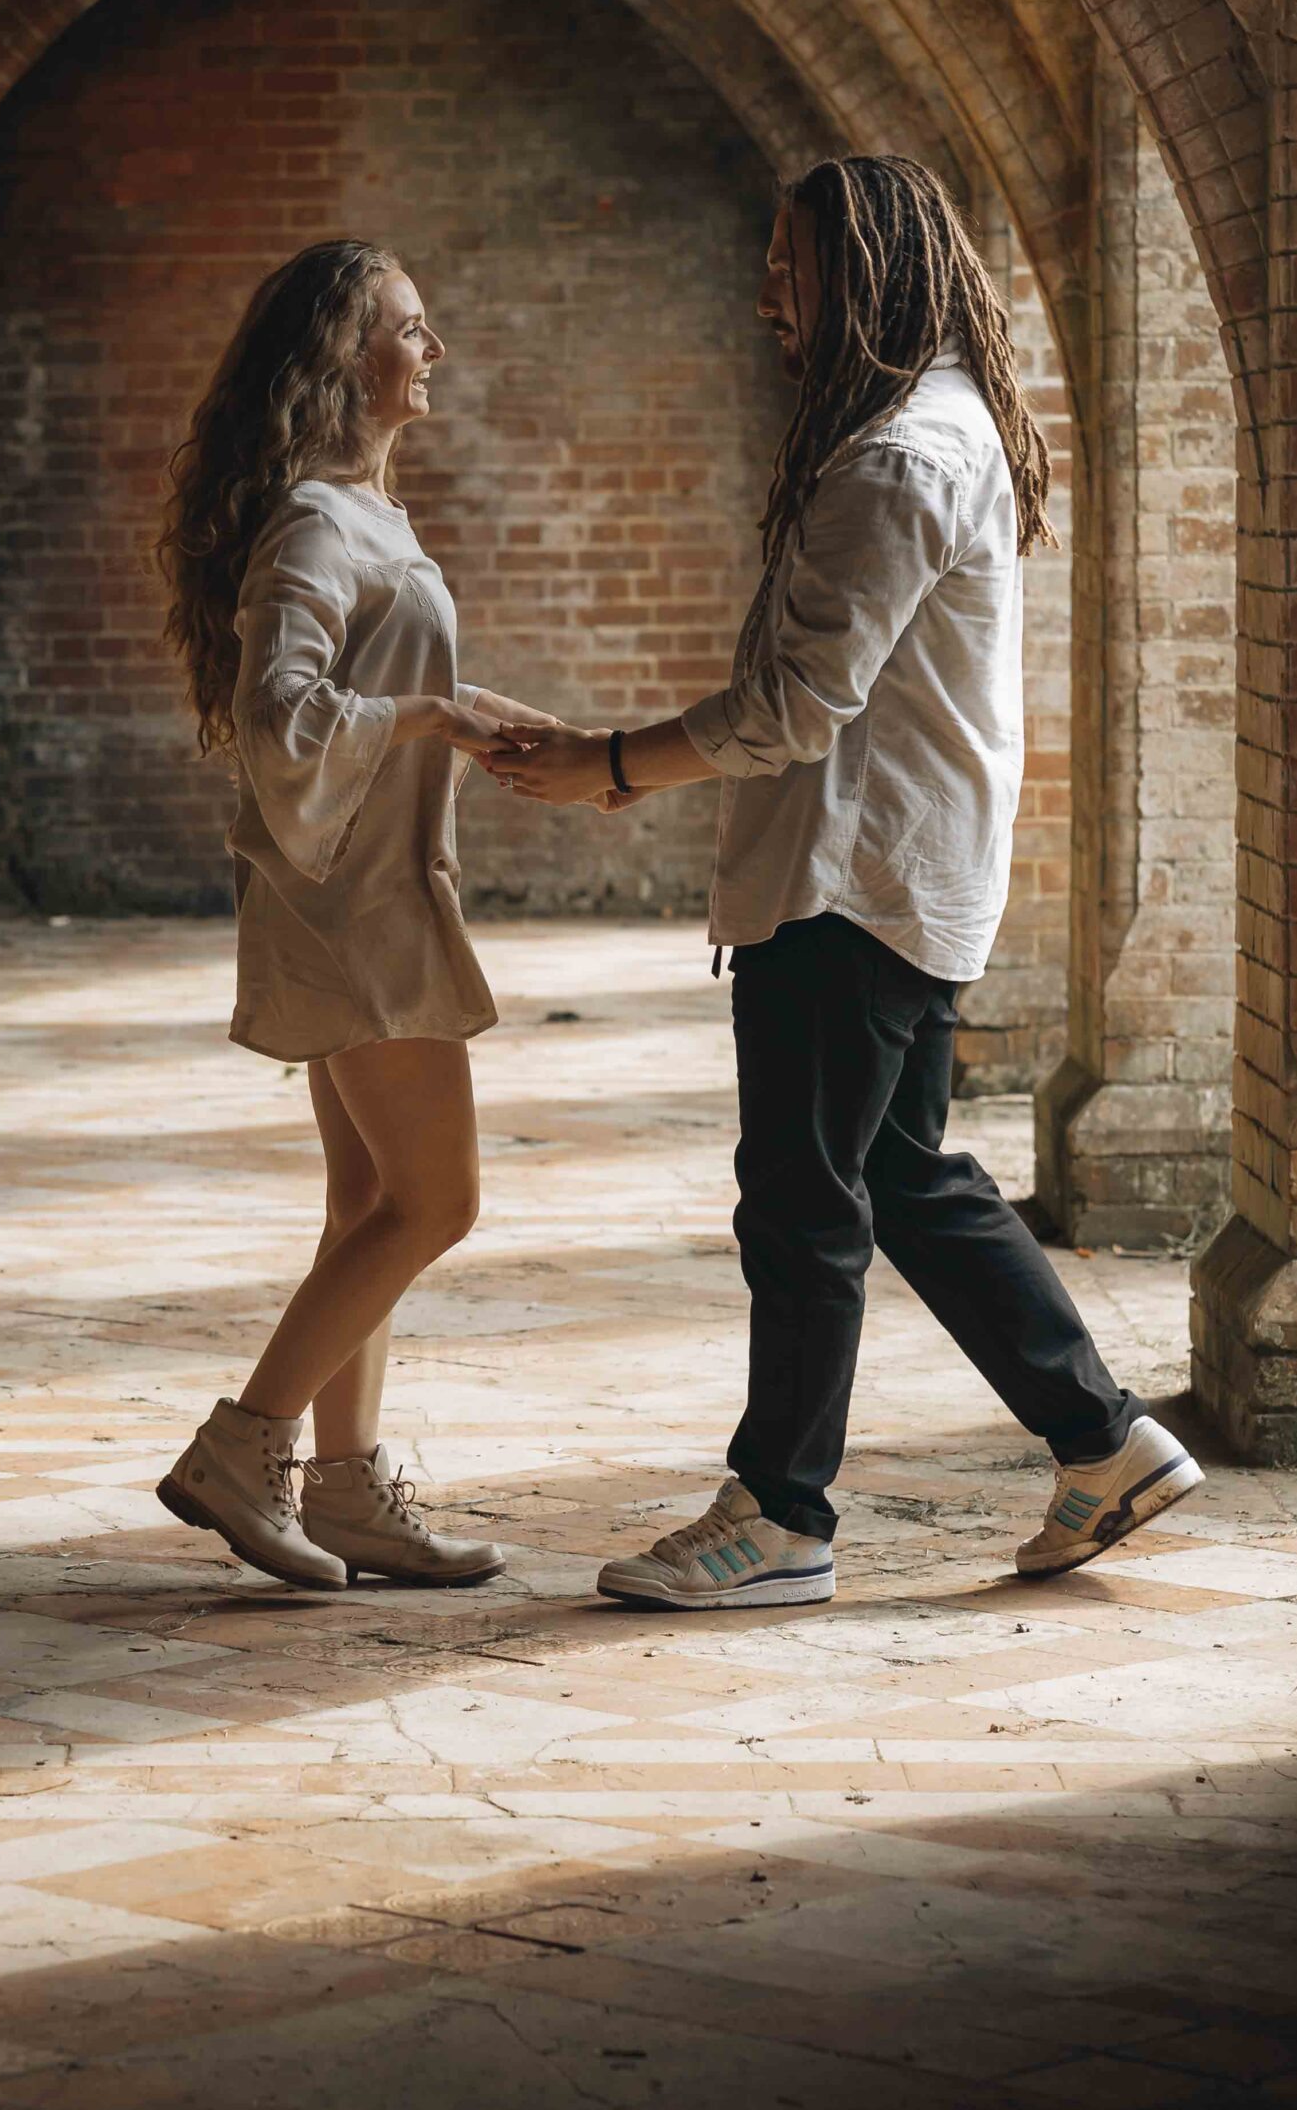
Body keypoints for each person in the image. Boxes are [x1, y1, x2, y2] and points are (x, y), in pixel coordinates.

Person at [489, 156, 1203, 1609]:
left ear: (865, 271)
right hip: (898, 875)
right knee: (906, 1176)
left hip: (849, 885)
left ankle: (782, 1516)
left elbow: (795, 707)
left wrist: (607, 764)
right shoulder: (929, 433)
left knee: (803, 1201)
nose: (768, 295)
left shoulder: (894, 460)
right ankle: (1102, 1440)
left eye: (789, 264)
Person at [154, 240, 563, 1592]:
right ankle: (246, 1444)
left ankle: (344, 1491)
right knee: (436, 1202)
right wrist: (433, 717)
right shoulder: (320, 524)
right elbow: (283, 719)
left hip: (365, 896)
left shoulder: (363, 513)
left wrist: (467, 712)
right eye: (409, 328)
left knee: (368, 1200)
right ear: (343, 357)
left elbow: (369, 686)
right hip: (356, 912)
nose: (431, 350)